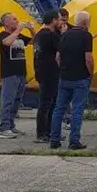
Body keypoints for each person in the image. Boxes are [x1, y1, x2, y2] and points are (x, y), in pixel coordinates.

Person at [49, 11, 94, 150]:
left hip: (64, 77)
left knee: (58, 109)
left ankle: (54, 139)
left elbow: (57, 57)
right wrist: (90, 73)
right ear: (85, 22)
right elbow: (88, 58)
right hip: (80, 77)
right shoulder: (86, 35)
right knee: (77, 109)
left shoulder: (65, 35)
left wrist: (63, 69)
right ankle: (74, 141)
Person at [0, 13, 34, 139]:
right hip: (9, 73)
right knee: (8, 100)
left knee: (17, 101)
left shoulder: (19, 36)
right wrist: (18, 29)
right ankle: (3, 128)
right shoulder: (1, 35)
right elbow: (7, 42)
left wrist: (31, 29)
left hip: (21, 72)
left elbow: (35, 41)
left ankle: (11, 125)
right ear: (6, 23)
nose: (17, 21)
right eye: (14, 19)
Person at [32, 9, 63, 143]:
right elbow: (62, 47)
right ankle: (44, 133)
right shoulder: (51, 35)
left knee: (47, 103)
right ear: (53, 20)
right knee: (48, 104)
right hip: (50, 72)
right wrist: (63, 33)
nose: (61, 22)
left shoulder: (39, 35)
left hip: (41, 71)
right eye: (59, 19)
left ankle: (47, 132)